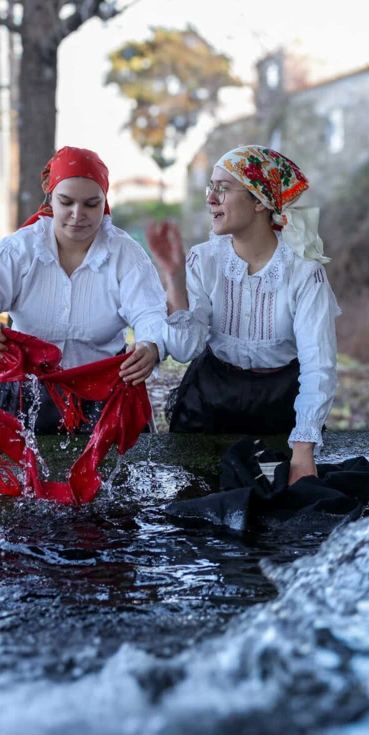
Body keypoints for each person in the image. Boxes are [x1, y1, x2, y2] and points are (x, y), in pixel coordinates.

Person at [148, 145, 339, 486]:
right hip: (210, 399)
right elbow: (185, 350)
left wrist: (303, 446)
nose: (211, 199)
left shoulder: (304, 274)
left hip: (281, 404)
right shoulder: (203, 260)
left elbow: (318, 365)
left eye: (222, 188)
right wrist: (174, 279)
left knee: (277, 514)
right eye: (210, 187)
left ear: (260, 201)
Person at [0, 146, 167, 434]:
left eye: (91, 204)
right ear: (50, 199)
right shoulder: (21, 250)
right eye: (66, 202)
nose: (78, 214)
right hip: (25, 394)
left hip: (104, 394)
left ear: (104, 202)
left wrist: (150, 345)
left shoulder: (125, 255)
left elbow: (152, 314)